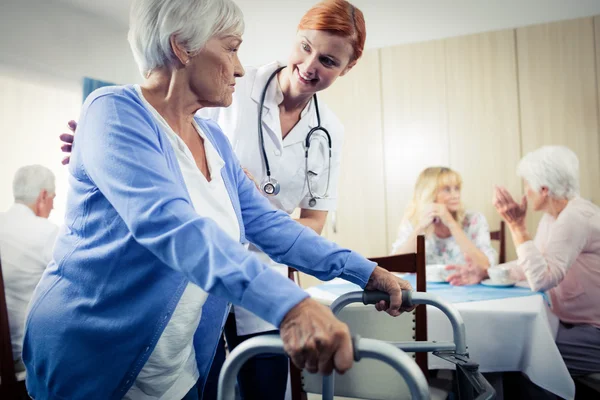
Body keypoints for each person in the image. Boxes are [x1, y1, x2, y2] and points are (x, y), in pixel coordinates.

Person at [25, 1, 412, 399]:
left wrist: (365, 271)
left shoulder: (215, 142)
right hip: (94, 361)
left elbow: (271, 226)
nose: (241, 68)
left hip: (176, 365)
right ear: (182, 46)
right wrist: (291, 306)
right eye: (231, 48)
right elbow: (173, 227)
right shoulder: (113, 111)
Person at [448, 146, 600, 377]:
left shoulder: (575, 217)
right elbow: (531, 265)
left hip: (592, 331)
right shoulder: (554, 216)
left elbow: (541, 279)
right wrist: (486, 272)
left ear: (544, 189)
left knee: (515, 353)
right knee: (509, 348)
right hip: (571, 321)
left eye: (528, 185)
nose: (526, 192)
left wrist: (517, 226)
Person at [0, 165, 58, 390]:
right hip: (30, 373)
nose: (52, 207)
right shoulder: (47, 233)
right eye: (53, 198)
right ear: (43, 196)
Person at [390, 167, 497, 269]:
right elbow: (396, 267)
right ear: (429, 193)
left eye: (457, 188)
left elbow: (485, 265)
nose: (456, 195)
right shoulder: (413, 222)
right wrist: (420, 227)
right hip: (424, 288)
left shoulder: (474, 220)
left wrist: (451, 223)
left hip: (466, 285)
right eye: (447, 190)